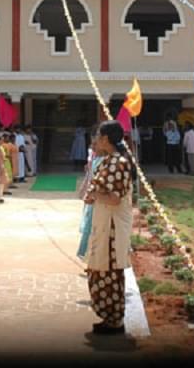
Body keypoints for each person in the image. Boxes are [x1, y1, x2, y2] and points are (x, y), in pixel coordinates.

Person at [83, 120, 134, 335]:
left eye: (98, 136)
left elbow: (113, 199)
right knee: (99, 271)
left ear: (105, 139)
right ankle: (109, 317)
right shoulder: (109, 161)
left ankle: (114, 320)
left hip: (111, 230)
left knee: (110, 274)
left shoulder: (117, 163)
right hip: (104, 225)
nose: (95, 140)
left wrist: (94, 195)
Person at [77, 128, 103, 258]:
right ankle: (86, 254)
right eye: (92, 145)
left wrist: (94, 195)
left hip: (101, 201)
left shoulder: (107, 161)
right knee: (89, 227)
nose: (94, 148)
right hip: (93, 197)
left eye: (96, 145)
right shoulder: (96, 159)